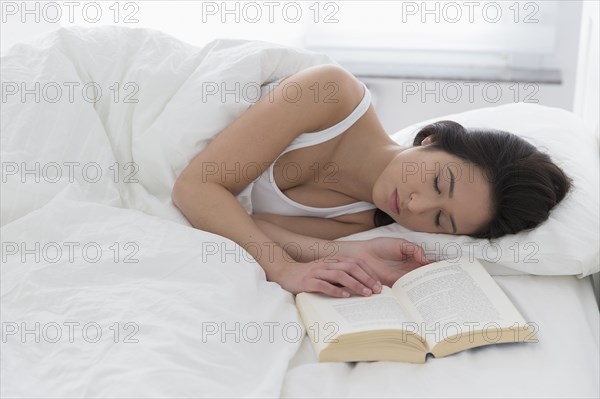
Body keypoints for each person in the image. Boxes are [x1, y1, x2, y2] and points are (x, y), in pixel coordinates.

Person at [171, 64, 572, 298]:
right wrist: (283, 270)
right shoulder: (331, 93)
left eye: (439, 221)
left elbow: (249, 225)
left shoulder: (362, 219)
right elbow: (197, 188)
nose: (415, 207)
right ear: (433, 138)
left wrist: (349, 254)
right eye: (436, 183)